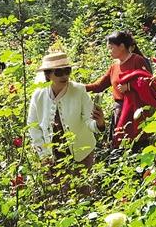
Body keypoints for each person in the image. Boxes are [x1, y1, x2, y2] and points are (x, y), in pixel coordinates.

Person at [27, 52, 105, 191]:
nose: (64, 76)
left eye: (67, 71)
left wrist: (98, 123)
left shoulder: (79, 90)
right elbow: (33, 127)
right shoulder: (38, 95)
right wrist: (44, 155)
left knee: (83, 192)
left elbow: (88, 120)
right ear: (48, 74)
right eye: (59, 72)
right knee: (58, 194)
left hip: (82, 150)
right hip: (53, 154)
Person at [85, 31, 153, 147]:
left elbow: (148, 82)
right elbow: (99, 86)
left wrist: (130, 86)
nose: (109, 51)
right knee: (120, 146)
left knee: (138, 144)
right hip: (119, 111)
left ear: (121, 46)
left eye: (111, 48)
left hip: (136, 110)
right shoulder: (114, 66)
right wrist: (76, 87)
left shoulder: (137, 60)